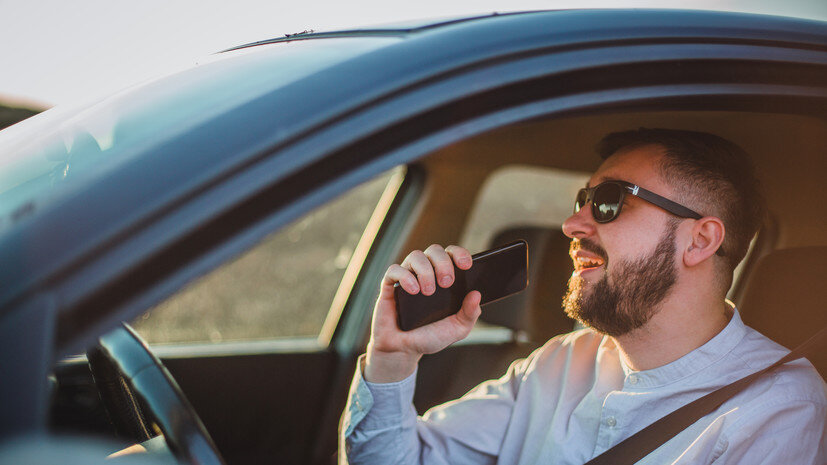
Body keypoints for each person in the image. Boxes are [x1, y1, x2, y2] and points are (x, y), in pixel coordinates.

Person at [339, 128, 827, 464]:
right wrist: (392, 359)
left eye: (610, 202)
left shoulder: (777, 409)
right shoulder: (558, 363)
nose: (573, 225)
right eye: (582, 201)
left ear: (700, 240)